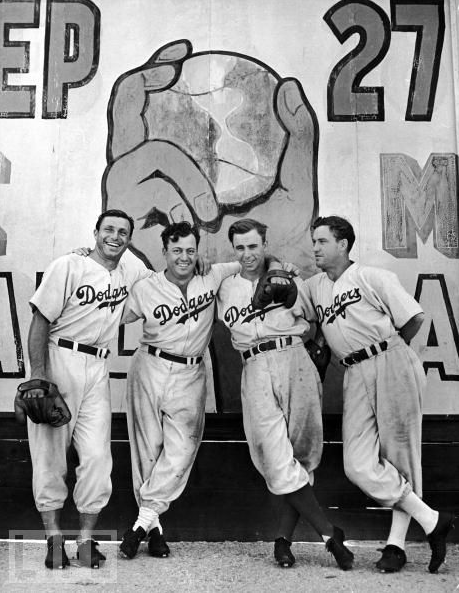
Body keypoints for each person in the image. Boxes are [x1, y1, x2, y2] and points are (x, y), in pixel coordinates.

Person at [305, 215, 455, 573]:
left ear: (343, 244)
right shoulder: (314, 286)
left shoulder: (372, 277)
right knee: (357, 464)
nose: (315, 248)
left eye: (322, 241)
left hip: (390, 359)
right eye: (314, 241)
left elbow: (414, 318)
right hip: (353, 371)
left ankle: (396, 546)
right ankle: (433, 520)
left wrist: (392, 355)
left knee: (401, 456)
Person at [216, 218, 354, 570]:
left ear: (265, 245)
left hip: (294, 359)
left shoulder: (291, 278)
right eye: (240, 247)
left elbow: (314, 323)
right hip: (254, 366)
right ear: (234, 249)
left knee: (303, 455)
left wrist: (309, 347)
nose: (247, 254)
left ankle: (283, 541)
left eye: (253, 246)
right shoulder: (224, 286)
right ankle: (328, 533)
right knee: (275, 459)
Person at [26, 209, 149, 569]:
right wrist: (38, 376)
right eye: (108, 229)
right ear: (95, 232)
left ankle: (84, 541)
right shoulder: (68, 265)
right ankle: (53, 540)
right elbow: (40, 320)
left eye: (123, 232)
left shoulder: (131, 270)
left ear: (129, 239)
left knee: (97, 458)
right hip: (60, 356)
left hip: (98, 366)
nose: (115, 236)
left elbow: (166, 280)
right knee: (50, 456)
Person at [118, 221, 243, 560]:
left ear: (197, 251)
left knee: (181, 452)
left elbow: (254, 261)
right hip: (150, 366)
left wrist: (278, 264)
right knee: (147, 452)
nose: (184, 257)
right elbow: (108, 316)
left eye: (190, 250)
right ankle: (155, 532)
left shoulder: (212, 276)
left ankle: (141, 523)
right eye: (177, 251)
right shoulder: (145, 287)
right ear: (165, 252)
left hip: (190, 372)